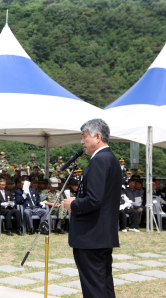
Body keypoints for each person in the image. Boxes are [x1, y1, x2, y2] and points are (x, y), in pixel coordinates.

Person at [63, 118, 120, 298]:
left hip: (91, 236)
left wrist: (73, 204)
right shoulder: (111, 159)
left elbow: (94, 200)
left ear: (97, 136)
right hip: (102, 234)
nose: (82, 142)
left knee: (94, 290)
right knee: (104, 286)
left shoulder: (99, 160)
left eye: (84, 137)